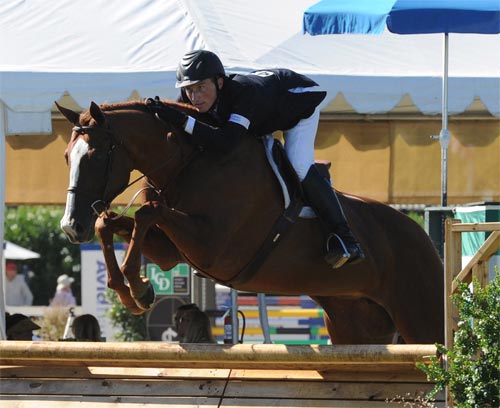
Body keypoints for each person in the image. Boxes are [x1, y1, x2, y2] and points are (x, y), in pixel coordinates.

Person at [152, 50, 364, 268]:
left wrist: (180, 119)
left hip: (298, 103)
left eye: (200, 88)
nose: (195, 97)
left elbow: (226, 142)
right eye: (189, 90)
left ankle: (344, 237)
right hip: (264, 112)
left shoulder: (245, 94)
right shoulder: (196, 97)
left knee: (298, 166)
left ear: (220, 83)